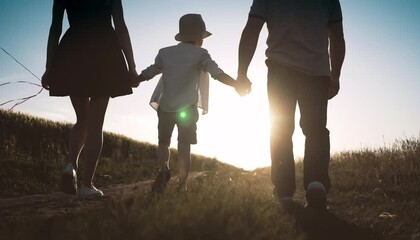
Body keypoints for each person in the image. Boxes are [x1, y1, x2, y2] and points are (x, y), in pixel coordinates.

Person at [237, 0, 345, 210]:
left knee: (280, 129)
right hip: (316, 73)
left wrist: (242, 72)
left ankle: (284, 191)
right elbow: (337, 37)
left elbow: (252, 30)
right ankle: (316, 185)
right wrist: (335, 75)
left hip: (280, 70)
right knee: (315, 131)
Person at [133, 13, 244, 193]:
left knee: (163, 142)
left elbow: (151, 71)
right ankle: (182, 184)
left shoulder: (165, 52)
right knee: (184, 145)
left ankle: (163, 171)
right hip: (188, 109)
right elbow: (217, 73)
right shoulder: (201, 54)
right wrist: (236, 84)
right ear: (199, 37)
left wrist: (136, 79)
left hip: (166, 107)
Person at [41, 0, 138, 199]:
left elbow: (55, 30)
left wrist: (49, 67)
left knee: (82, 120)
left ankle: (70, 165)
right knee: (95, 124)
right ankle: (86, 185)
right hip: (105, 51)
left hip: (73, 50)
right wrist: (132, 66)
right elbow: (121, 28)